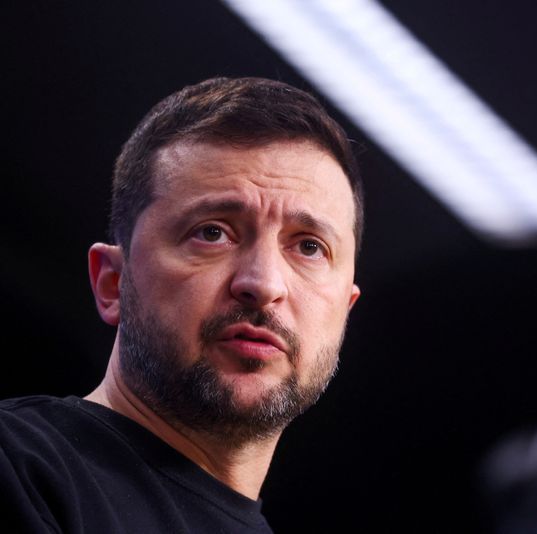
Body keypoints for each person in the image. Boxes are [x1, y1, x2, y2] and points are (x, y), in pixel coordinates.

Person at [0, 77, 363, 533]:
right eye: (212, 232)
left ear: (345, 311)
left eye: (309, 247)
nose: (264, 284)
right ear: (113, 282)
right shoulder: (17, 466)